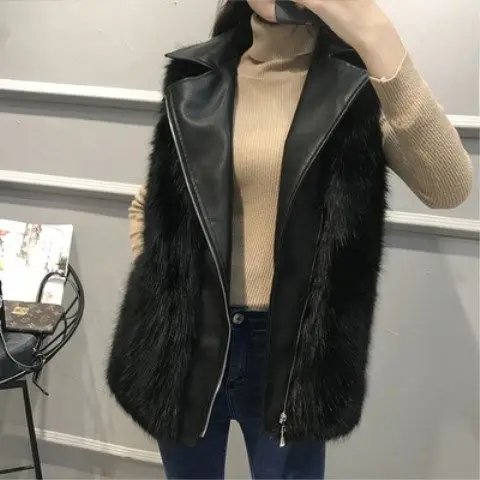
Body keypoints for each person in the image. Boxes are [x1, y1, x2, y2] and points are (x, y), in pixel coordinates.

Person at [107, 1, 473, 478]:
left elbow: (448, 187)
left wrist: (375, 32)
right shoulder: (196, 75)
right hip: (188, 340)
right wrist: (163, 292)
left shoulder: (357, 84)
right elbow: (153, 201)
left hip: (291, 351)